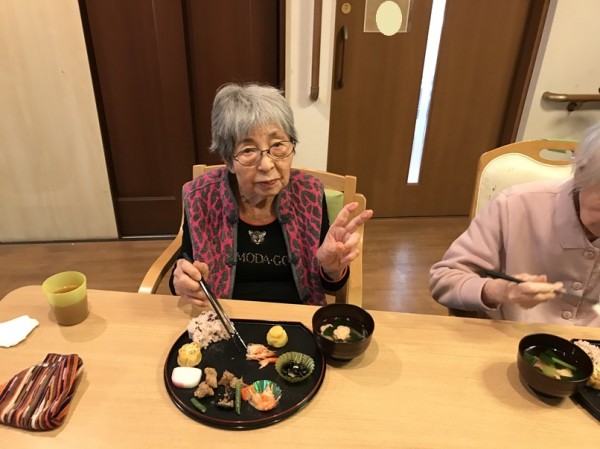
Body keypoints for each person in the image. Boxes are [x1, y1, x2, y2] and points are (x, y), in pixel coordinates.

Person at [170, 83, 373, 307]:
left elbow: (330, 284)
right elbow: (184, 268)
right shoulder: (201, 196)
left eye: (277, 145)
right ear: (228, 160)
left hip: (297, 317)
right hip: (223, 317)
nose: (267, 165)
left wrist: (332, 269)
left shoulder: (309, 194)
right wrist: (182, 281)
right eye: (248, 150)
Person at [429, 123, 600, 326]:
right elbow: (445, 279)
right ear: (581, 172)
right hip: (510, 338)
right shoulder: (515, 204)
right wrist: (500, 291)